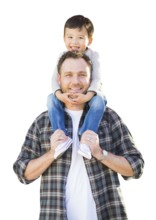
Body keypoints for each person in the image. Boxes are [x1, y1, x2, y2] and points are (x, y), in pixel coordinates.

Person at [13, 51, 144, 220]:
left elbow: (136, 167)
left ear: (91, 80)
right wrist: (52, 154)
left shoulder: (109, 118)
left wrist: (100, 153)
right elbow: (23, 173)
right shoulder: (42, 122)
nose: (75, 81)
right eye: (69, 75)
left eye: (82, 75)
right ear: (59, 79)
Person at [47, 15, 107, 159]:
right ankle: (60, 136)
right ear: (64, 38)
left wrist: (88, 95)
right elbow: (55, 79)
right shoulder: (62, 56)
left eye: (80, 38)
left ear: (89, 40)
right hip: (67, 95)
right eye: (70, 37)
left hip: (89, 95)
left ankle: (86, 138)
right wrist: (59, 94)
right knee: (51, 99)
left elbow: (97, 78)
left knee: (100, 101)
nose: (74, 42)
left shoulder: (93, 55)